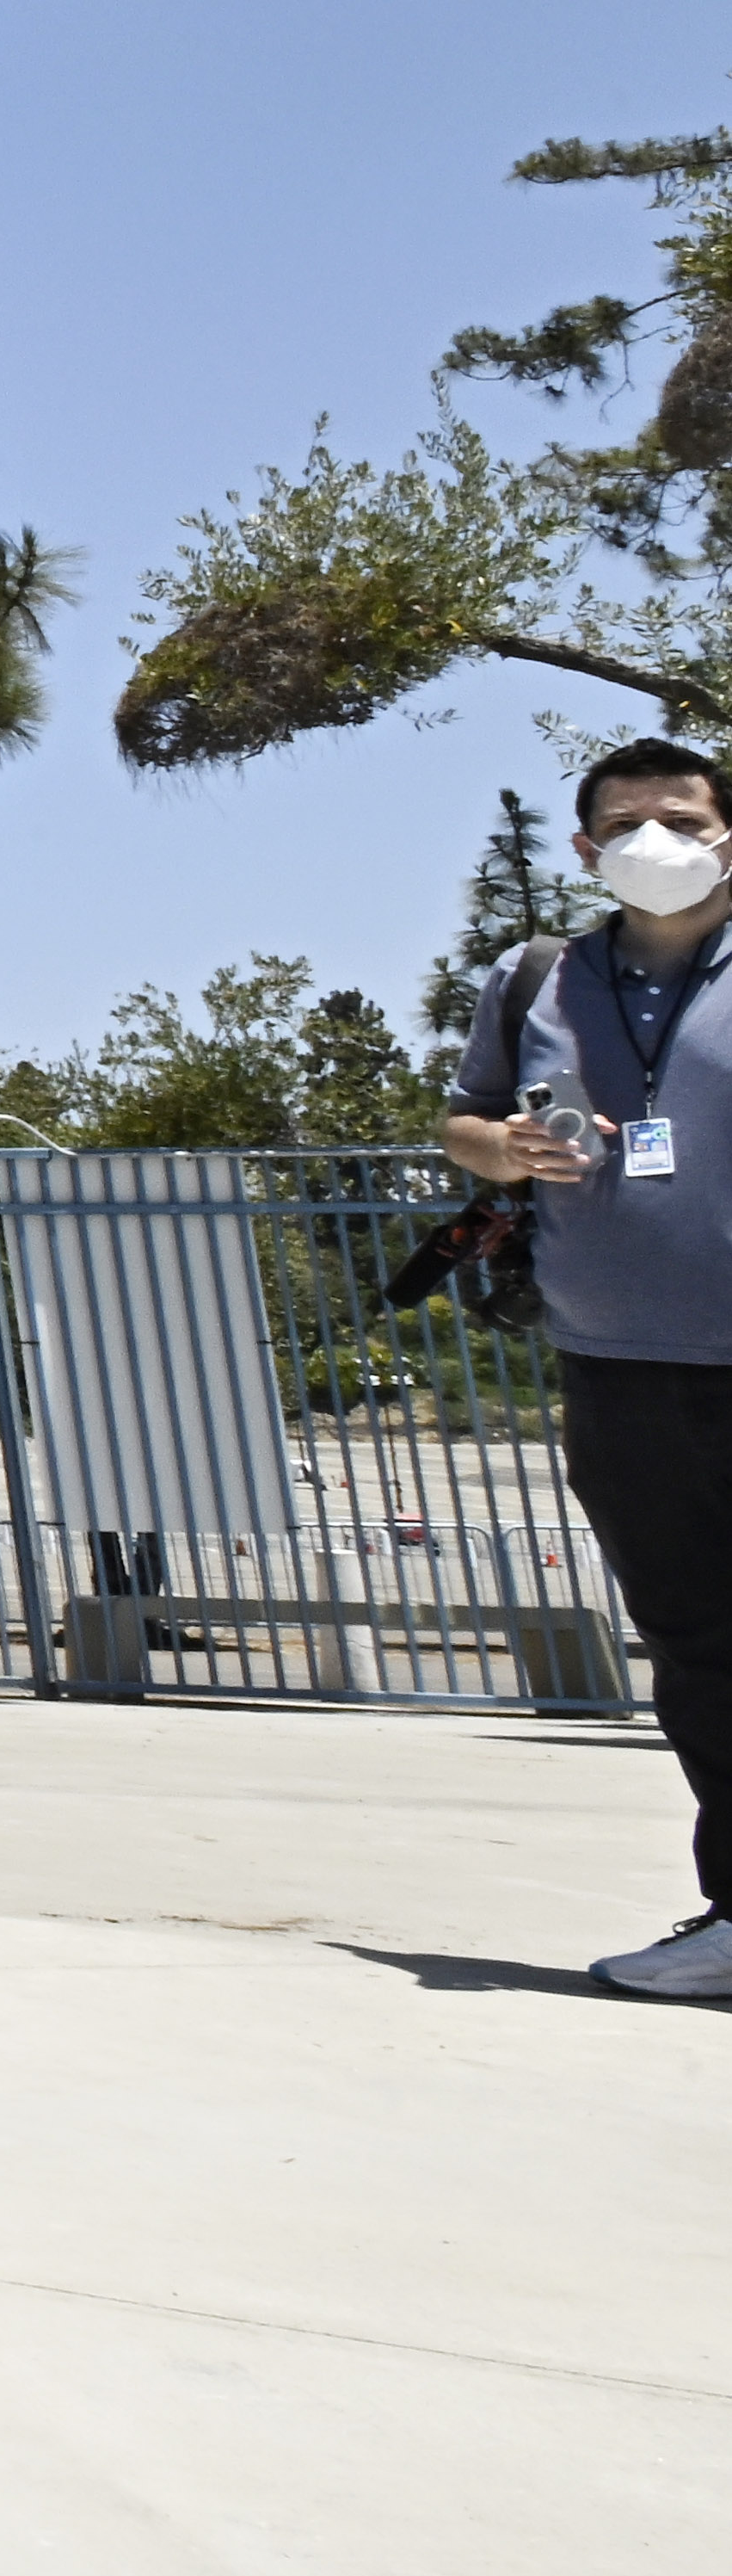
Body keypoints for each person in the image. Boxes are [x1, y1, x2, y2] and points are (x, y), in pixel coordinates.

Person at [449, 732, 732, 1999]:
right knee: (696, 1649)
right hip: (616, 1366)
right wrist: (500, 1147)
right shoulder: (535, 979)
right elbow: (462, 1118)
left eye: (680, 816)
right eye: (624, 824)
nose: (654, 842)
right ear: (585, 847)